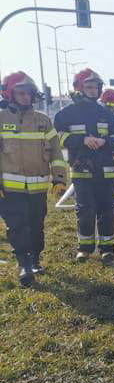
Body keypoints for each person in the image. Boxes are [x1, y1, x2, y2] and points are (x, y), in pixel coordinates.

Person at [0, 71, 68, 285]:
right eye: (21, 93)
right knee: (17, 224)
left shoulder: (43, 120)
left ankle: (36, 258)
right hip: (9, 188)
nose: (26, 98)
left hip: (38, 187)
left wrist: (59, 179)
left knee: (36, 223)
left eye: (29, 94)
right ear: (9, 94)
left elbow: (56, 152)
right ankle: (24, 264)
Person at [54, 69, 114, 263]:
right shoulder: (65, 114)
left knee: (107, 210)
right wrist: (82, 140)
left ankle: (107, 249)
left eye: (96, 87)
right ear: (79, 87)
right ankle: (84, 248)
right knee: (85, 210)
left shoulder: (107, 114)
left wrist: (104, 141)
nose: (93, 91)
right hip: (81, 170)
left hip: (105, 171)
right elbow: (57, 139)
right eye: (89, 87)